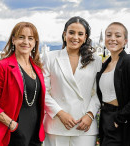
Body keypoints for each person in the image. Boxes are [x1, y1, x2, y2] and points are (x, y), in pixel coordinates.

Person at [42, 16, 102, 146]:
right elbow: (43, 91)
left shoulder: (95, 60)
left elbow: (98, 92)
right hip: (56, 124)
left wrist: (90, 115)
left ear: (85, 37)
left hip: (84, 125)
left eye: (80, 34)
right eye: (71, 32)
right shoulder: (50, 57)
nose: (75, 37)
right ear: (64, 34)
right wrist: (60, 113)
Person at [0, 22, 45, 146]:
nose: (26, 42)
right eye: (21, 37)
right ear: (13, 40)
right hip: (13, 133)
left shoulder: (37, 68)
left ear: (35, 43)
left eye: (30, 38)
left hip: (35, 133)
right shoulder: (1, 66)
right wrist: (12, 125)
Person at [96, 22, 130, 146]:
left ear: (125, 41)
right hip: (106, 118)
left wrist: (120, 118)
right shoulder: (106, 63)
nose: (112, 38)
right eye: (109, 35)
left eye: (117, 36)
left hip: (121, 120)